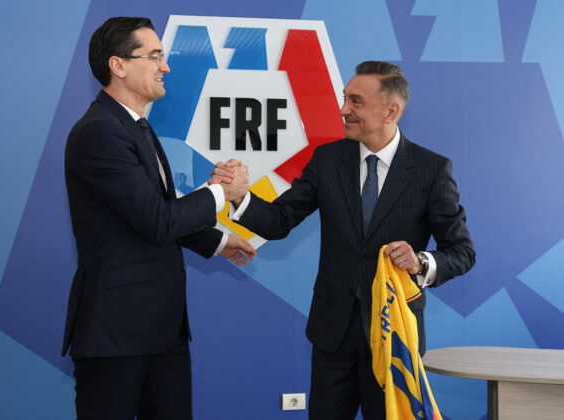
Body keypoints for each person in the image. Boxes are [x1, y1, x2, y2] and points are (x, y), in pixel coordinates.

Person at [212, 61, 475, 419]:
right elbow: (279, 220)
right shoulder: (328, 159)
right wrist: (240, 197)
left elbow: (462, 252)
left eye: (356, 101)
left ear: (391, 111)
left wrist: (421, 262)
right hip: (331, 334)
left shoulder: (432, 169)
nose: (343, 109)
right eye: (344, 98)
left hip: (393, 339)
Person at [61, 17, 254, 420]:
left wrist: (217, 241)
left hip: (163, 331)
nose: (165, 66)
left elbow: (153, 209)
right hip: (116, 334)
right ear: (118, 65)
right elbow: (157, 220)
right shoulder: (99, 132)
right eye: (154, 56)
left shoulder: (137, 128)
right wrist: (222, 192)